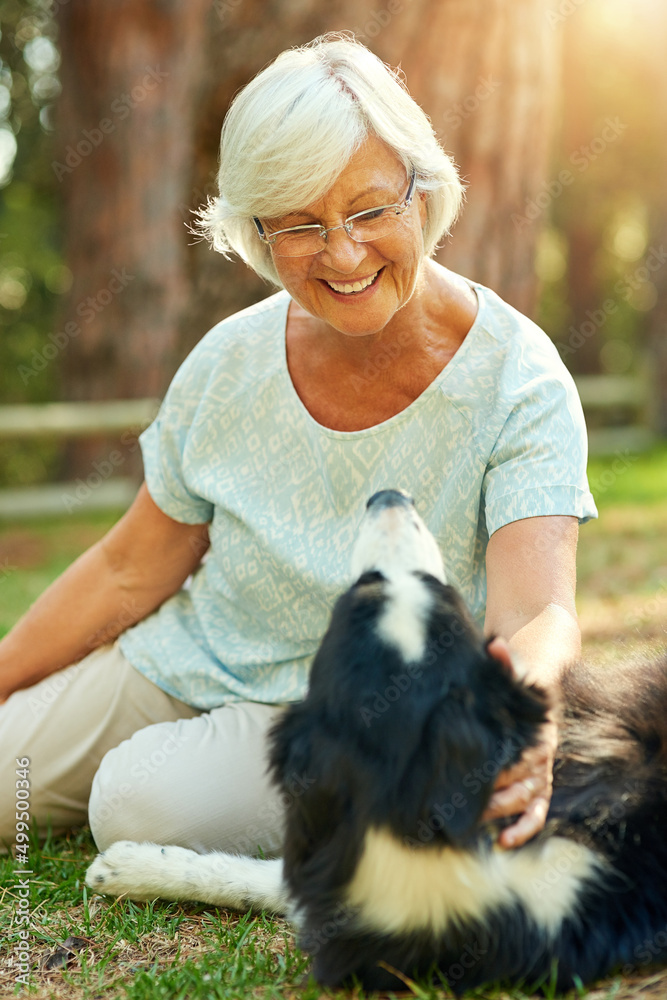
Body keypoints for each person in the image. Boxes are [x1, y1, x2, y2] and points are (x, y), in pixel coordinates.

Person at [0, 33, 597, 857]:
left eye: (369, 209)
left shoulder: (518, 380)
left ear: (421, 194)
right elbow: (128, 567)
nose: (344, 252)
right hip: (188, 659)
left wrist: (522, 711)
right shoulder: (228, 360)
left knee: (138, 806)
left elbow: (535, 614)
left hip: (350, 713)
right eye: (302, 224)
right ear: (258, 232)